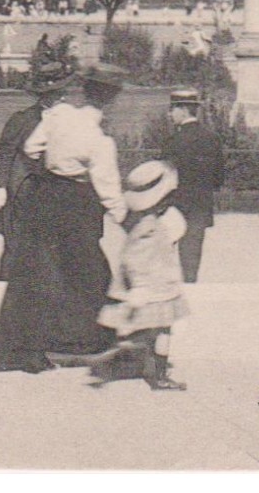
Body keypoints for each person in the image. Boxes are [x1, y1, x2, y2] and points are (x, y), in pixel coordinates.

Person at [0, 69, 127, 373]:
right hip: (74, 203)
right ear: (111, 100)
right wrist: (127, 219)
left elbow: (31, 148)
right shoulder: (99, 140)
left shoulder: (58, 115)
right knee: (89, 273)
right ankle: (75, 342)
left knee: (33, 271)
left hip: (43, 197)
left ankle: (17, 351)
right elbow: (108, 191)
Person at [91, 160, 191, 391]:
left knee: (153, 328)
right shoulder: (152, 227)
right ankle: (157, 374)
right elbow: (136, 258)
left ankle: (137, 357)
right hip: (156, 287)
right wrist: (140, 286)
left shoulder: (146, 223)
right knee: (162, 329)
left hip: (157, 284)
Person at [0, 62, 71, 281]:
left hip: (52, 190)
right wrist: (0, 186)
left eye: (62, 93)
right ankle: (6, 286)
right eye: (56, 94)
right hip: (22, 188)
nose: (61, 98)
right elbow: (6, 153)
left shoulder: (66, 121)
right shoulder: (23, 119)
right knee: (16, 242)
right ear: (43, 96)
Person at [161, 89, 224, 282]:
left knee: (164, 254)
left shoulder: (173, 141)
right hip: (200, 203)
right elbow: (218, 177)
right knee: (192, 256)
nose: (170, 115)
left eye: (172, 110)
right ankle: (191, 289)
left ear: (183, 110)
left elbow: (163, 176)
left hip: (175, 204)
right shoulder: (212, 138)